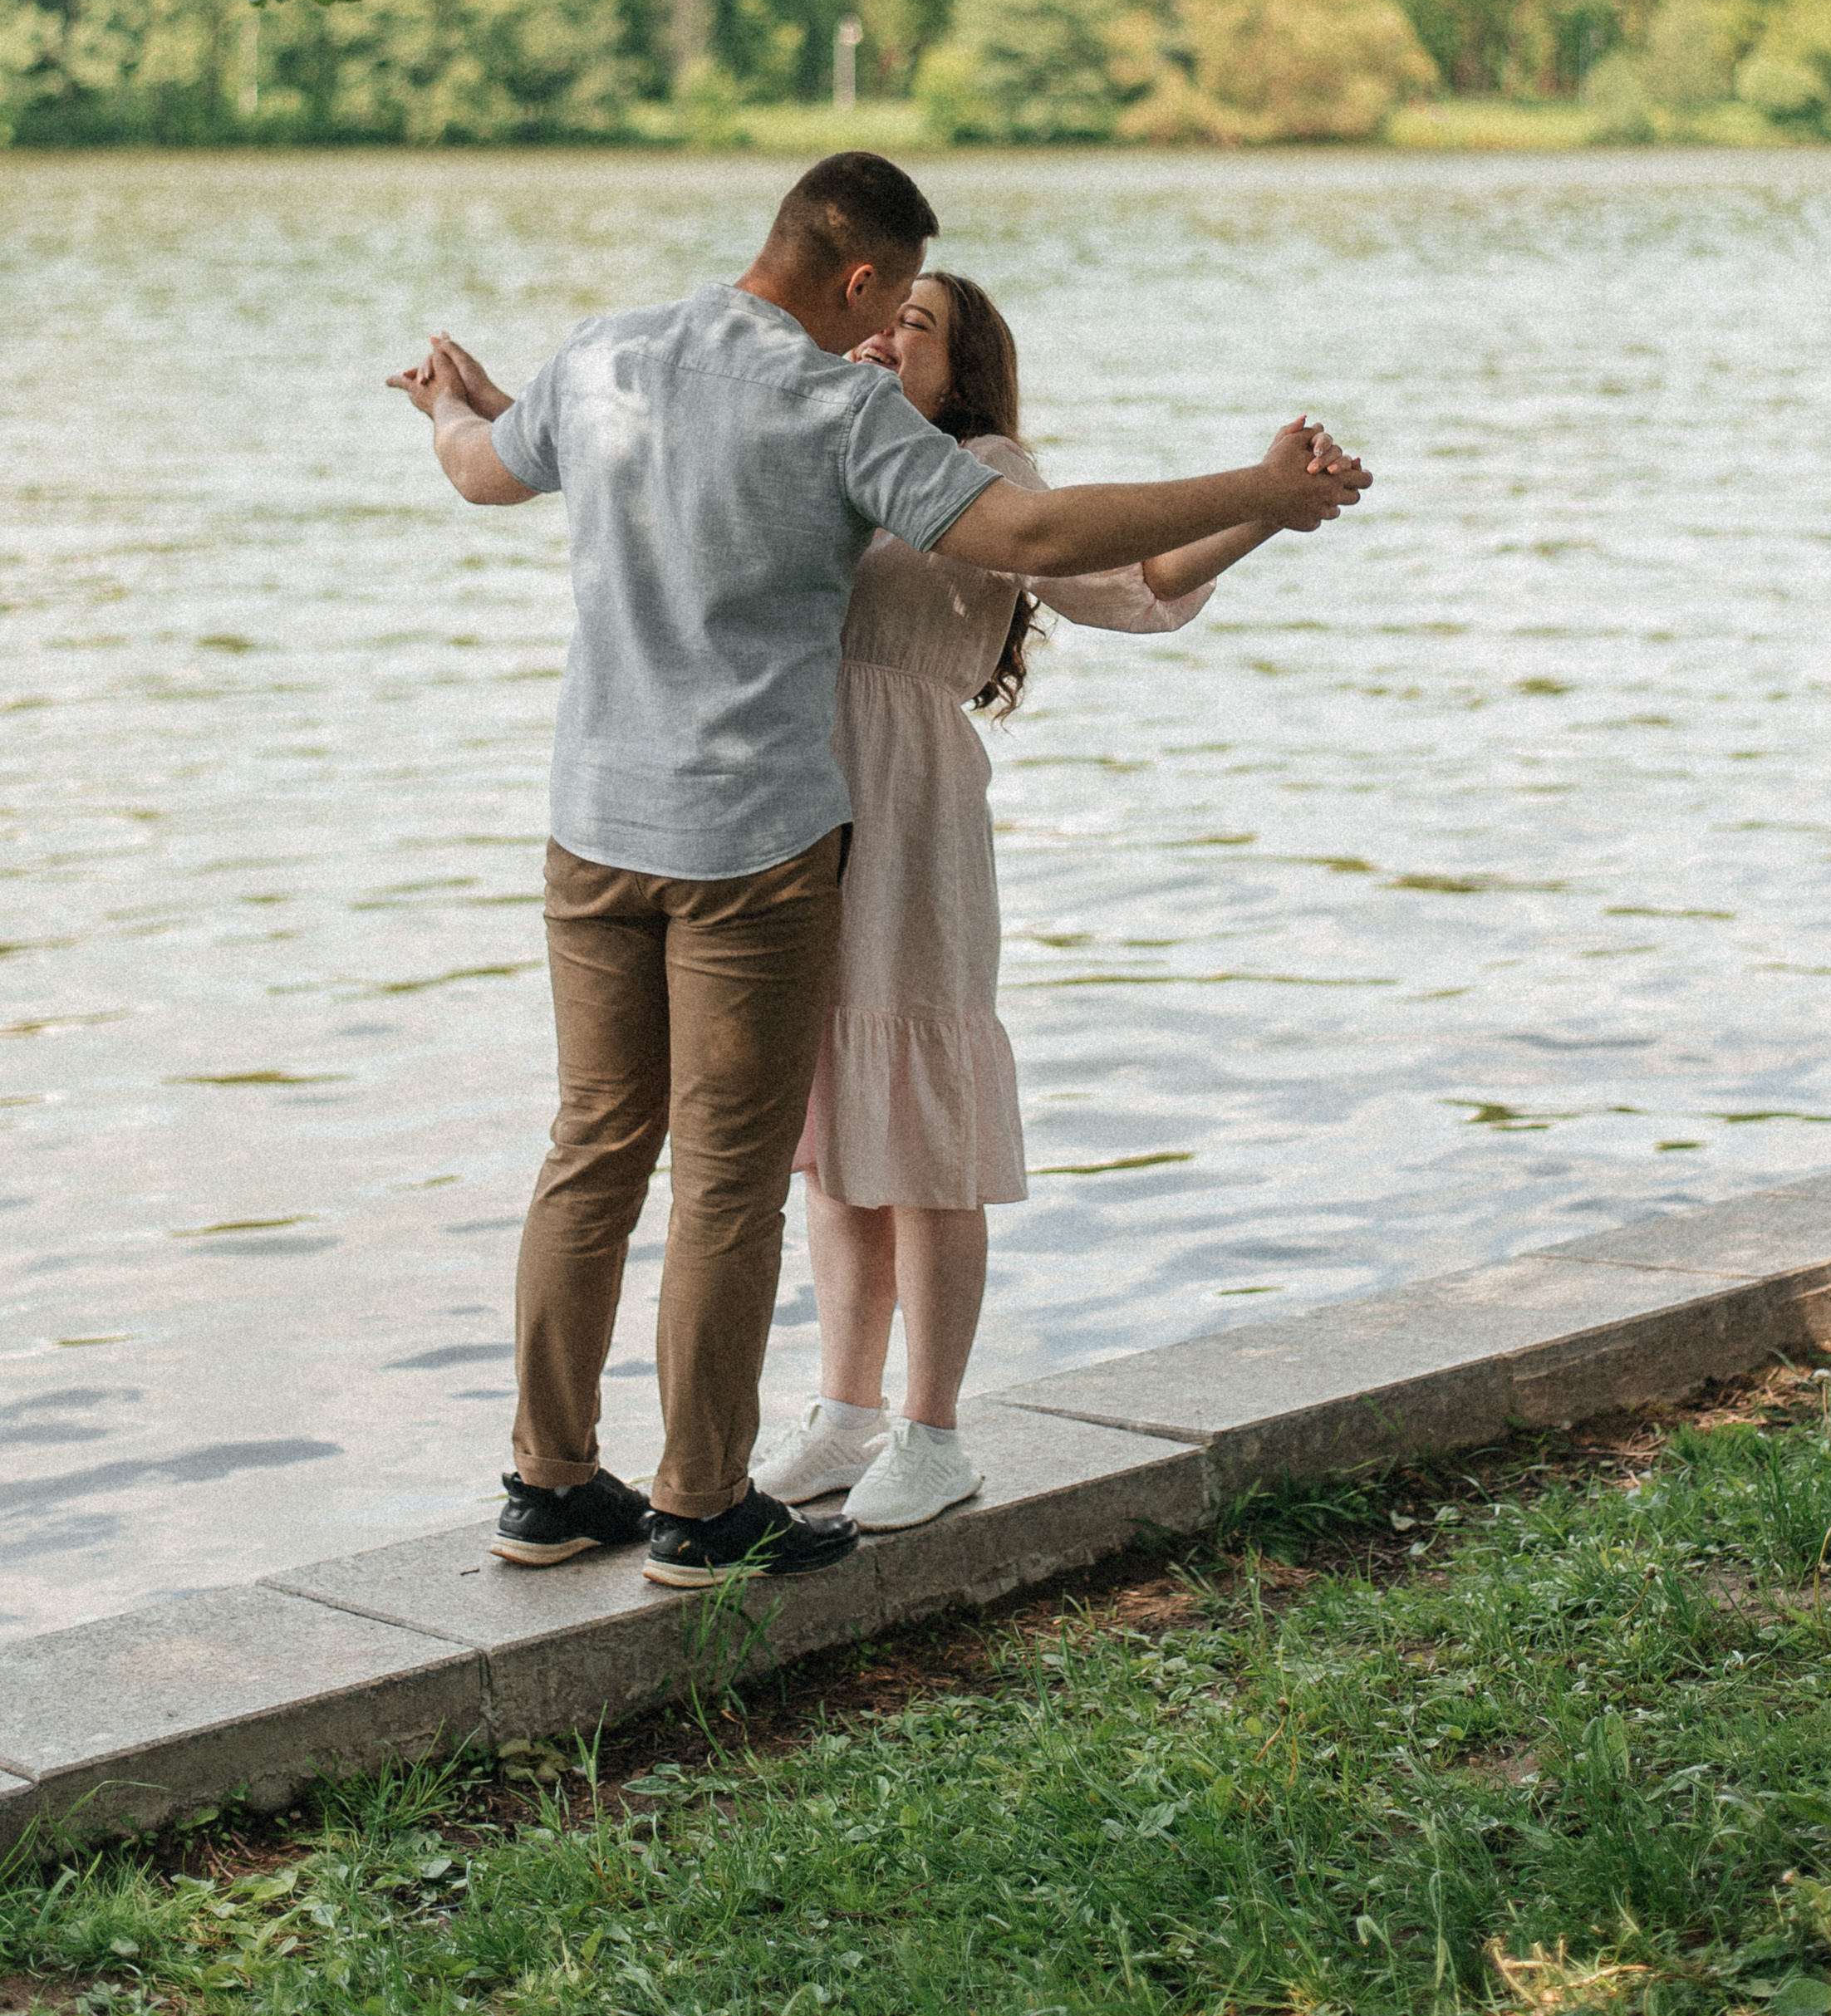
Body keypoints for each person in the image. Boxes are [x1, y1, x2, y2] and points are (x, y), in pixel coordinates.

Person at [387, 151, 1371, 1593]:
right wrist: (1260, 483)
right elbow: (1031, 537)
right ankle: (703, 1507)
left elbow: (481, 473)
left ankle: (545, 1483)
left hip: (592, 825)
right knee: (732, 1178)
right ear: (860, 280)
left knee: (594, 1146)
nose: (894, 325)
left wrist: (451, 406)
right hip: (754, 841)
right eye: (896, 300)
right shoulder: (827, 403)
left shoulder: (604, 357)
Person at [755, 271, 1300, 1532]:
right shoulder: (821, 445)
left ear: (964, 370)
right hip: (797, 798)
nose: (889, 337)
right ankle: (843, 1417)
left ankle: (932, 1432)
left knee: (924, 1126)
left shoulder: (987, 470)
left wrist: (1265, 508)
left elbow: (1140, 583)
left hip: (908, 801)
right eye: (881, 318)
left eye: (921, 327)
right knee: (834, 1124)